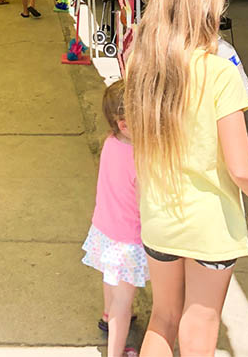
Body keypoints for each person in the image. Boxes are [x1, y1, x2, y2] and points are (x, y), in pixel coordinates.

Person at [125, 0, 248, 357]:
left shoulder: (140, 67)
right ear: (202, 14)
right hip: (210, 224)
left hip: (158, 217)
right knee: (200, 323)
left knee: (163, 317)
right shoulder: (220, 74)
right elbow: (242, 167)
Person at [82, 79, 148, 357]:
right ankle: (116, 352)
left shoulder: (110, 143)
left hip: (104, 229)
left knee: (110, 281)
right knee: (125, 300)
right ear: (124, 124)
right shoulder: (139, 156)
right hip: (127, 240)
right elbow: (146, 203)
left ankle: (107, 315)